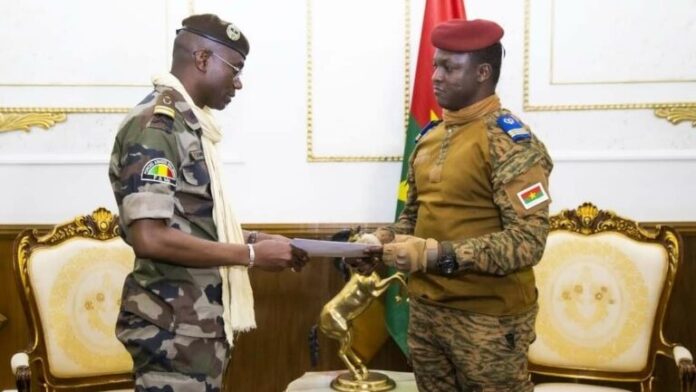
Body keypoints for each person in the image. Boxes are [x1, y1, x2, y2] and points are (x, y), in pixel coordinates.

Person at [108, 14, 309, 391]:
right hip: (171, 330)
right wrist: (249, 257)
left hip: (195, 326)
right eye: (235, 69)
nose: (239, 82)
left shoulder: (191, 126)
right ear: (202, 59)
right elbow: (150, 237)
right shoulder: (157, 126)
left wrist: (252, 239)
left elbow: (191, 221)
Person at [350, 19, 553, 391]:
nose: (436, 77)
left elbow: (528, 241)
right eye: (435, 65)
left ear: (483, 73)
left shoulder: (510, 143)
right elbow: (413, 218)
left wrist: (434, 255)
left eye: (450, 67)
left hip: (488, 322)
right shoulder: (430, 138)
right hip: (427, 314)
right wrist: (378, 241)